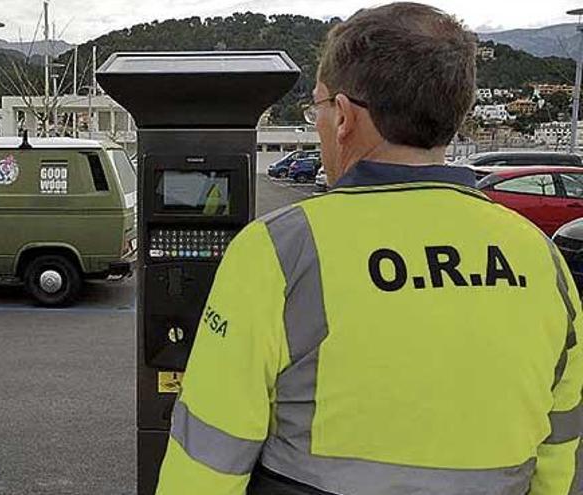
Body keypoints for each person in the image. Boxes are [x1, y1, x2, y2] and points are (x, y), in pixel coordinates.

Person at [155, 3, 583, 495]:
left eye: (316, 107)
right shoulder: (538, 256)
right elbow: (559, 453)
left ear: (342, 116)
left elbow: (206, 461)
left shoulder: (279, 251)